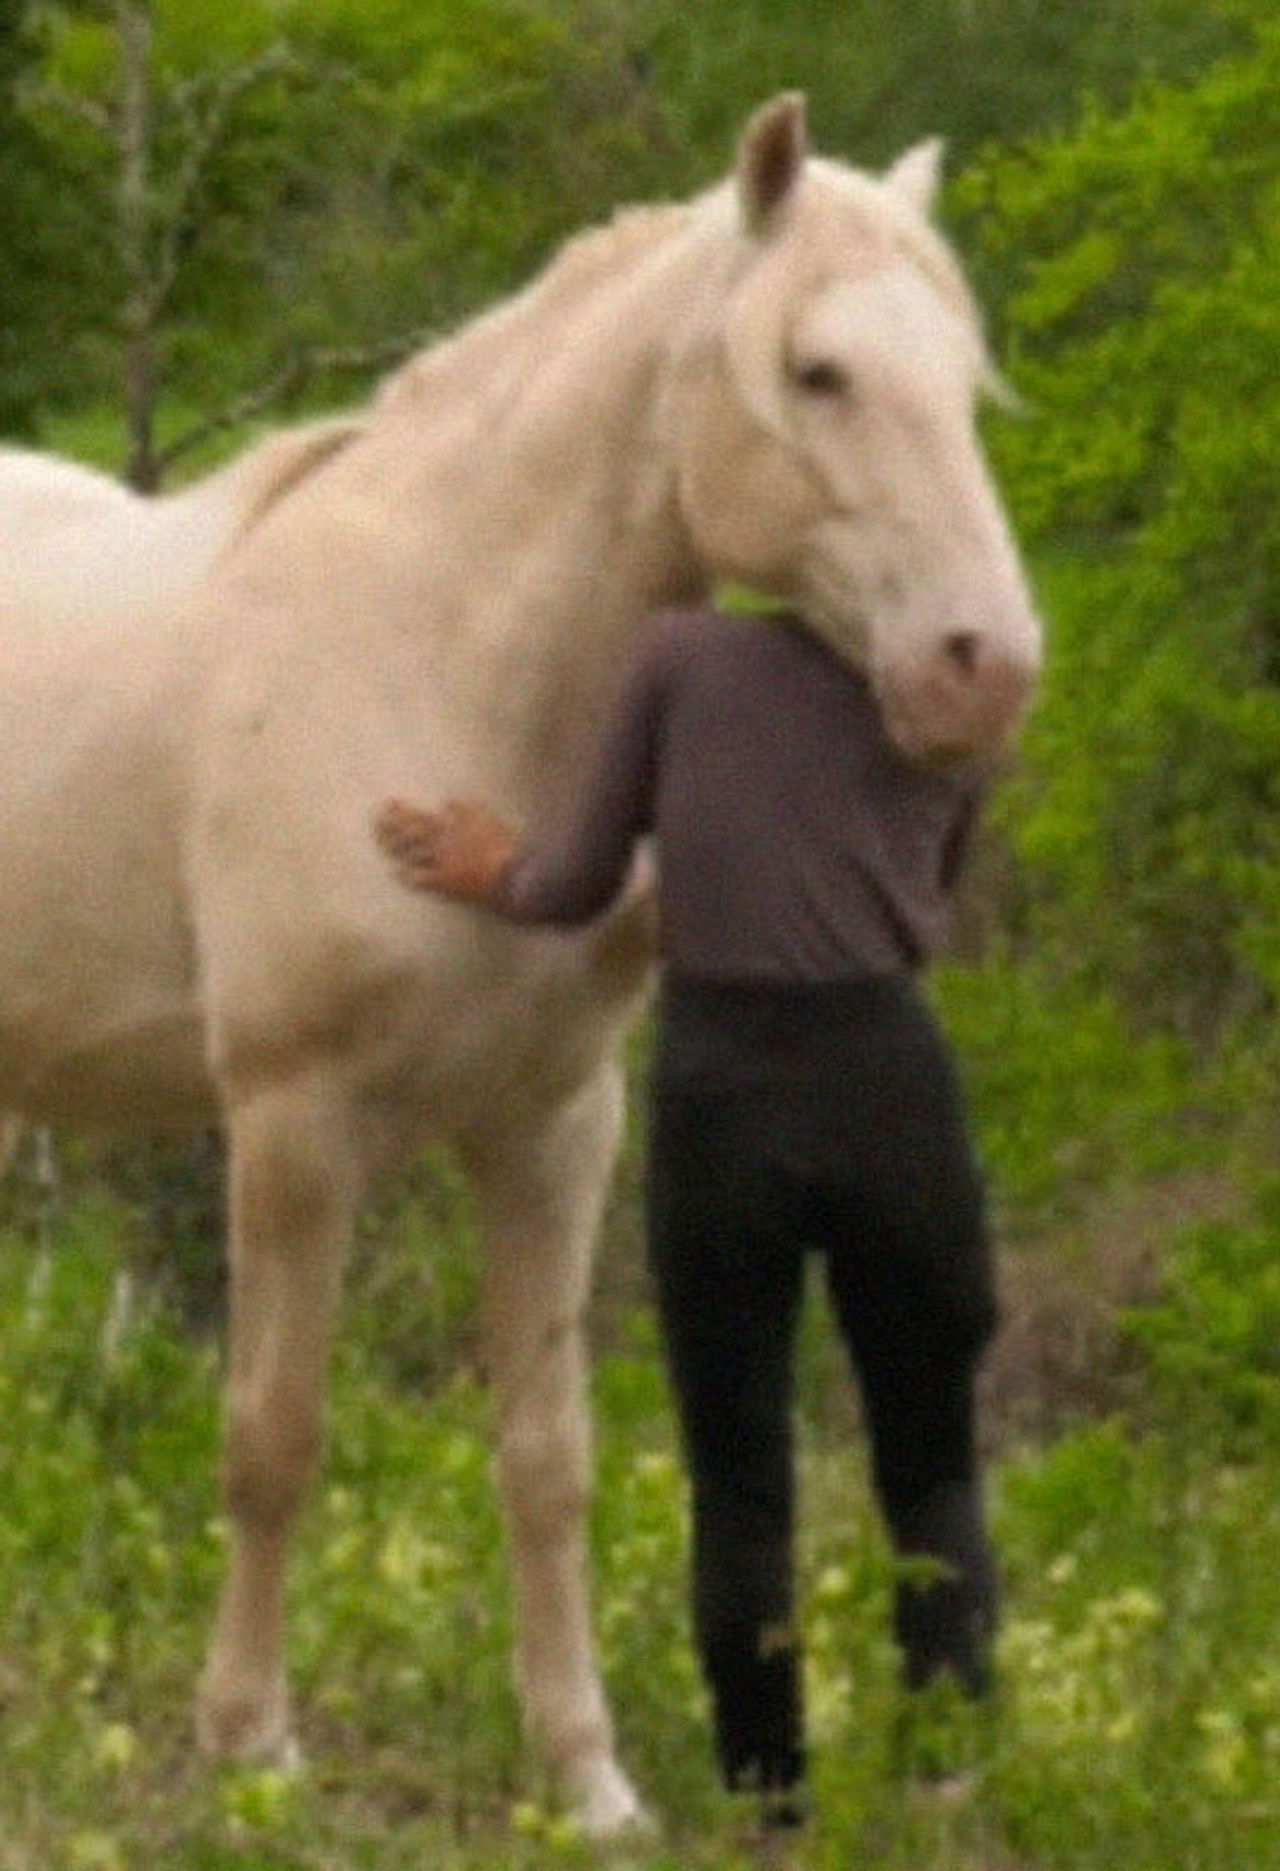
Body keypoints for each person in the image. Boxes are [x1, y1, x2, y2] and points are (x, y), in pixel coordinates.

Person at [374, 603, 1001, 1847]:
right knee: (929, 1460)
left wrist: (495, 867)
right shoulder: (959, 674)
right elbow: (934, 873)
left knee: (739, 1477)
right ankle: (942, 1795)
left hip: (724, 1081)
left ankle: (768, 1810)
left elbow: (575, 886)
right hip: (888, 1069)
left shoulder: (679, 658)